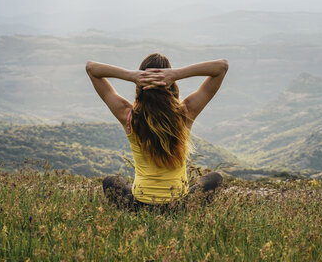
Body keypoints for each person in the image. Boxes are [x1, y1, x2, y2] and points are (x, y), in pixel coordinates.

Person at [85, 53, 228, 210]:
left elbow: (91, 68)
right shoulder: (186, 113)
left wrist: (131, 75)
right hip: (178, 207)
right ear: (171, 84)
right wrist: (176, 74)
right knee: (216, 178)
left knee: (110, 181)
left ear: (139, 84)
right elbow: (221, 67)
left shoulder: (128, 115)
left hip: (138, 206)